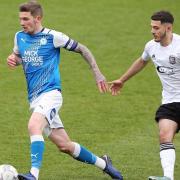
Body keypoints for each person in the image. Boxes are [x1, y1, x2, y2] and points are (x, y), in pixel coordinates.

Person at [7, 1, 123, 180]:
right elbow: (20, 56)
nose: (22, 22)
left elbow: (82, 49)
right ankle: (105, 164)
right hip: (35, 98)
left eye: (25, 19)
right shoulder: (19, 37)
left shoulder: (53, 36)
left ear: (38, 18)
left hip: (51, 94)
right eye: (20, 19)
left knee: (33, 126)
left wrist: (97, 72)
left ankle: (33, 175)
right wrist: (14, 59)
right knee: (65, 146)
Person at [109, 10, 180, 180]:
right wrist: (122, 80)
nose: (152, 31)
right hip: (170, 101)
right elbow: (142, 60)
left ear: (168, 28)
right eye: (151, 27)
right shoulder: (151, 46)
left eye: (156, 28)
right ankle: (168, 177)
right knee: (164, 136)